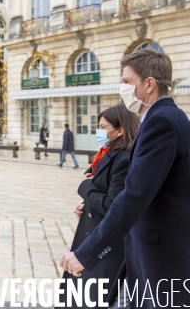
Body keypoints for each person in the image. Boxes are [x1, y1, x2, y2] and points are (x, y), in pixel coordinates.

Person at [60, 49, 190, 308]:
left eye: (127, 82)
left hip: (163, 256)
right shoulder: (170, 118)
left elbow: (134, 195)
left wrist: (86, 252)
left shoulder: (160, 122)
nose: (122, 88)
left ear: (149, 84)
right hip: (162, 249)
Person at [62, 105, 139, 307]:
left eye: (104, 126)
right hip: (93, 234)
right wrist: (86, 205)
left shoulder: (123, 158)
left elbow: (113, 205)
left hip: (106, 245)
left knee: (94, 297)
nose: (100, 131)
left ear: (120, 130)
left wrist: (85, 187)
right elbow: (102, 193)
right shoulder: (105, 153)